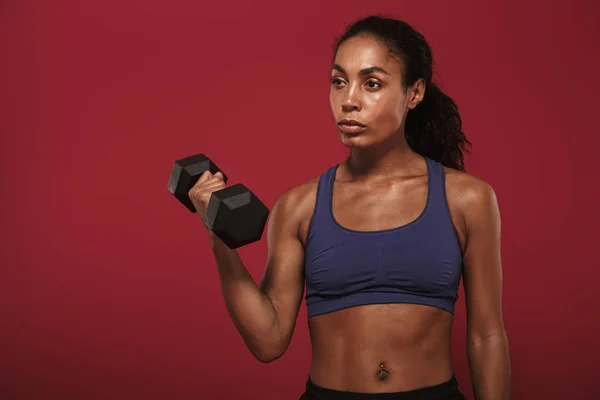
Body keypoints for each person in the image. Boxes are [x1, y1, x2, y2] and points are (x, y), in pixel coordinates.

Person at [189, 15, 511, 400]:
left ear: (415, 93)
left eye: (371, 83)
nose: (349, 100)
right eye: (339, 81)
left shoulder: (467, 199)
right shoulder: (298, 206)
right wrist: (217, 235)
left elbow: (486, 336)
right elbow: (268, 340)